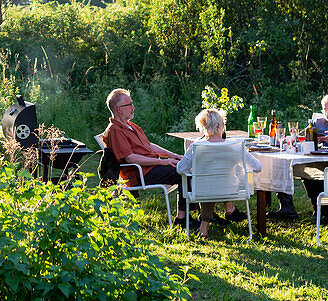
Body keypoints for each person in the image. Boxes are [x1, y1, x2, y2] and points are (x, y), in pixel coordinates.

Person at [269, 93, 328, 221]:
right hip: (317, 160)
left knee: (325, 175)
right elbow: (304, 137)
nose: (327, 114)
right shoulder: (318, 122)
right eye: (325, 110)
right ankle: (317, 209)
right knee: (299, 170)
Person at [102, 88, 188, 223]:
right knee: (184, 172)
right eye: (129, 104)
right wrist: (163, 162)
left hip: (151, 167)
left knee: (187, 167)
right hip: (141, 173)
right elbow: (130, 158)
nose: (133, 107)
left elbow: (148, 146)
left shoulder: (131, 126)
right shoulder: (115, 130)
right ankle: (183, 219)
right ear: (119, 109)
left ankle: (198, 215)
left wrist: (173, 155)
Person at [176, 108, 262, 238]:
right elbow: (258, 167)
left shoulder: (196, 146)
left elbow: (180, 169)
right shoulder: (235, 146)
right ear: (222, 126)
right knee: (214, 184)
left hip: (202, 191)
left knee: (208, 185)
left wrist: (194, 169)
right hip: (229, 189)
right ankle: (216, 219)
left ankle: (204, 229)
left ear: (202, 127)